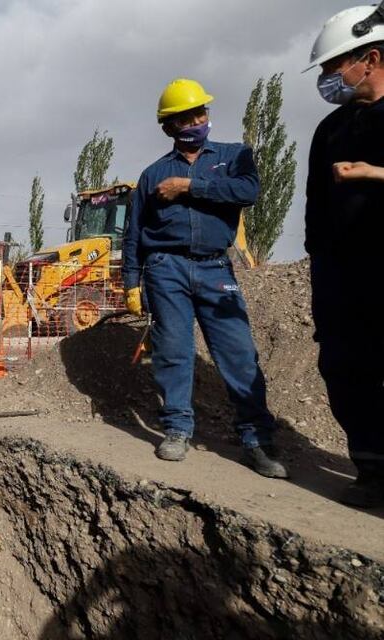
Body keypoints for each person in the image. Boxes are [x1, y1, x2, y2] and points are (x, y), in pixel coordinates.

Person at [121, 79, 287, 479]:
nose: (197, 121)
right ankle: (177, 429)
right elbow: (134, 233)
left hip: (215, 267)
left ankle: (256, 440)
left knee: (238, 353)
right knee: (174, 352)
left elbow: (248, 192)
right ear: (168, 127)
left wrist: (190, 187)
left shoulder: (234, 157)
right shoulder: (152, 174)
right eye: (186, 117)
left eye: (201, 113)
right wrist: (131, 282)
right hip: (166, 269)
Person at [304, 4, 384, 507]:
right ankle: (373, 469)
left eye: (335, 67)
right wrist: (319, 263)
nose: (330, 79)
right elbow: (315, 205)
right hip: (342, 273)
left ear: (371, 57)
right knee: (345, 366)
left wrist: (377, 174)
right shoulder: (330, 130)